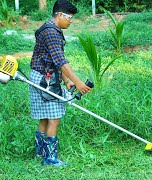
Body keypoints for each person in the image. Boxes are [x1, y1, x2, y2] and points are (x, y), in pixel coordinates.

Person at [29, 0, 91, 166]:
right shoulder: (51, 32)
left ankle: (40, 153)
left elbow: (53, 60)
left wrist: (67, 80)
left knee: (44, 117)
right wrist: (78, 82)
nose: (71, 21)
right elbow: (60, 61)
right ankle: (50, 159)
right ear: (59, 15)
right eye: (69, 17)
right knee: (54, 117)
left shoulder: (51, 29)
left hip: (42, 76)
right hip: (45, 80)